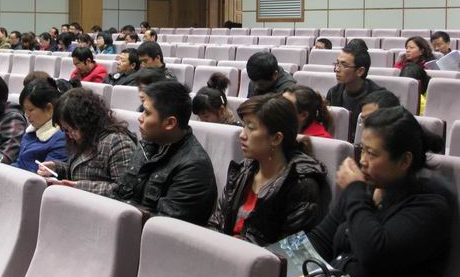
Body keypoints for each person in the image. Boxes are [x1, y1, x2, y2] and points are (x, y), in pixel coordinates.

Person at [308, 107, 452, 277]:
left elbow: (374, 254)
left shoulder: (430, 207)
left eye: (372, 154)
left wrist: (354, 191)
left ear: (404, 161)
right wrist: (283, 268)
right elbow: (320, 240)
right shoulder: (365, 190)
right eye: (362, 150)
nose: (362, 161)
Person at [208, 94, 330, 245]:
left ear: (276, 138)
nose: (242, 134)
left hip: (259, 258)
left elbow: (290, 249)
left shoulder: (301, 184)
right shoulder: (244, 169)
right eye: (243, 126)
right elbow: (217, 222)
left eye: (251, 128)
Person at [113, 81, 217, 224]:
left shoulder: (194, 166)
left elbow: (165, 227)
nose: (140, 118)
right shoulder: (147, 145)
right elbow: (119, 193)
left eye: (147, 113)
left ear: (169, 123)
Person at [37, 88, 137, 196]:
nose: (70, 135)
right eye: (66, 130)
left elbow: (124, 191)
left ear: (87, 121)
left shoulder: (118, 142)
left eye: (72, 129)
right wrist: (56, 168)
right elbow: (79, 171)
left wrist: (79, 187)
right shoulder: (85, 138)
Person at [326, 45, 383, 141]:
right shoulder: (333, 92)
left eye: (344, 65)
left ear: (360, 71)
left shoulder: (378, 98)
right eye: (337, 64)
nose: (337, 69)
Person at [11, 78, 68, 173]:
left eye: (31, 110)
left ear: (49, 108)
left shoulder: (61, 139)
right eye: (25, 110)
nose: (27, 115)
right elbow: (19, 163)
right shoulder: (32, 130)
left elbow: (44, 176)